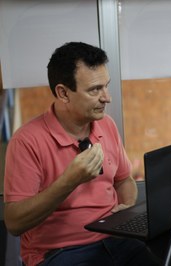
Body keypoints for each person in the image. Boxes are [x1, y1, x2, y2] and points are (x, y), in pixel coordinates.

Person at [3, 42, 160, 266]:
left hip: (115, 239)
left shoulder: (106, 124)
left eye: (106, 86)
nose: (107, 98)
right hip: (61, 252)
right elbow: (14, 223)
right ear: (63, 93)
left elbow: (124, 179)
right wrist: (70, 180)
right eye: (95, 90)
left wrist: (127, 205)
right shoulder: (26, 141)